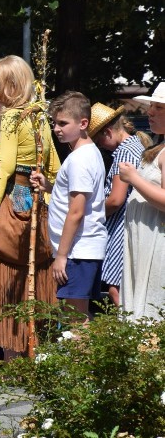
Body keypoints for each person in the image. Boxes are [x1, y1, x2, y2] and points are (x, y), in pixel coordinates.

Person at [0, 56, 60, 357]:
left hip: (6, 200)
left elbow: (4, 167)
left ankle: (4, 357)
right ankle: (27, 353)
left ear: (11, 84)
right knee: (28, 279)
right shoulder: (39, 116)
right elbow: (54, 168)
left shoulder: (11, 117)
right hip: (33, 203)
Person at [31, 91, 107, 321]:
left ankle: (81, 357)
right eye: (55, 123)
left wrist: (62, 256)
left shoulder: (79, 160)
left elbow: (76, 211)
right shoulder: (86, 154)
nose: (56, 129)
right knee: (76, 313)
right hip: (82, 249)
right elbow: (76, 196)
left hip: (78, 250)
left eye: (63, 123)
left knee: (75, 316)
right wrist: (51, 187)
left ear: (83, 123)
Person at [88, 103, 148, 306]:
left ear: (108, 132)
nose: (100, 145)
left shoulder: (124, 152)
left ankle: (126, 334)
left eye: (99, 139)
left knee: (116, 287)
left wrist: (90, 213)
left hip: (122, 225)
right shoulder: (136, 146)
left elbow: (116, 199)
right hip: (128, 222)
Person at [118, 82, 165, 321]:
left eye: (158, 107)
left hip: (157, 243)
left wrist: (134, 178)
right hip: (144, 241)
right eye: (151, 107)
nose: (150, 112)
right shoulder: (159, 148)